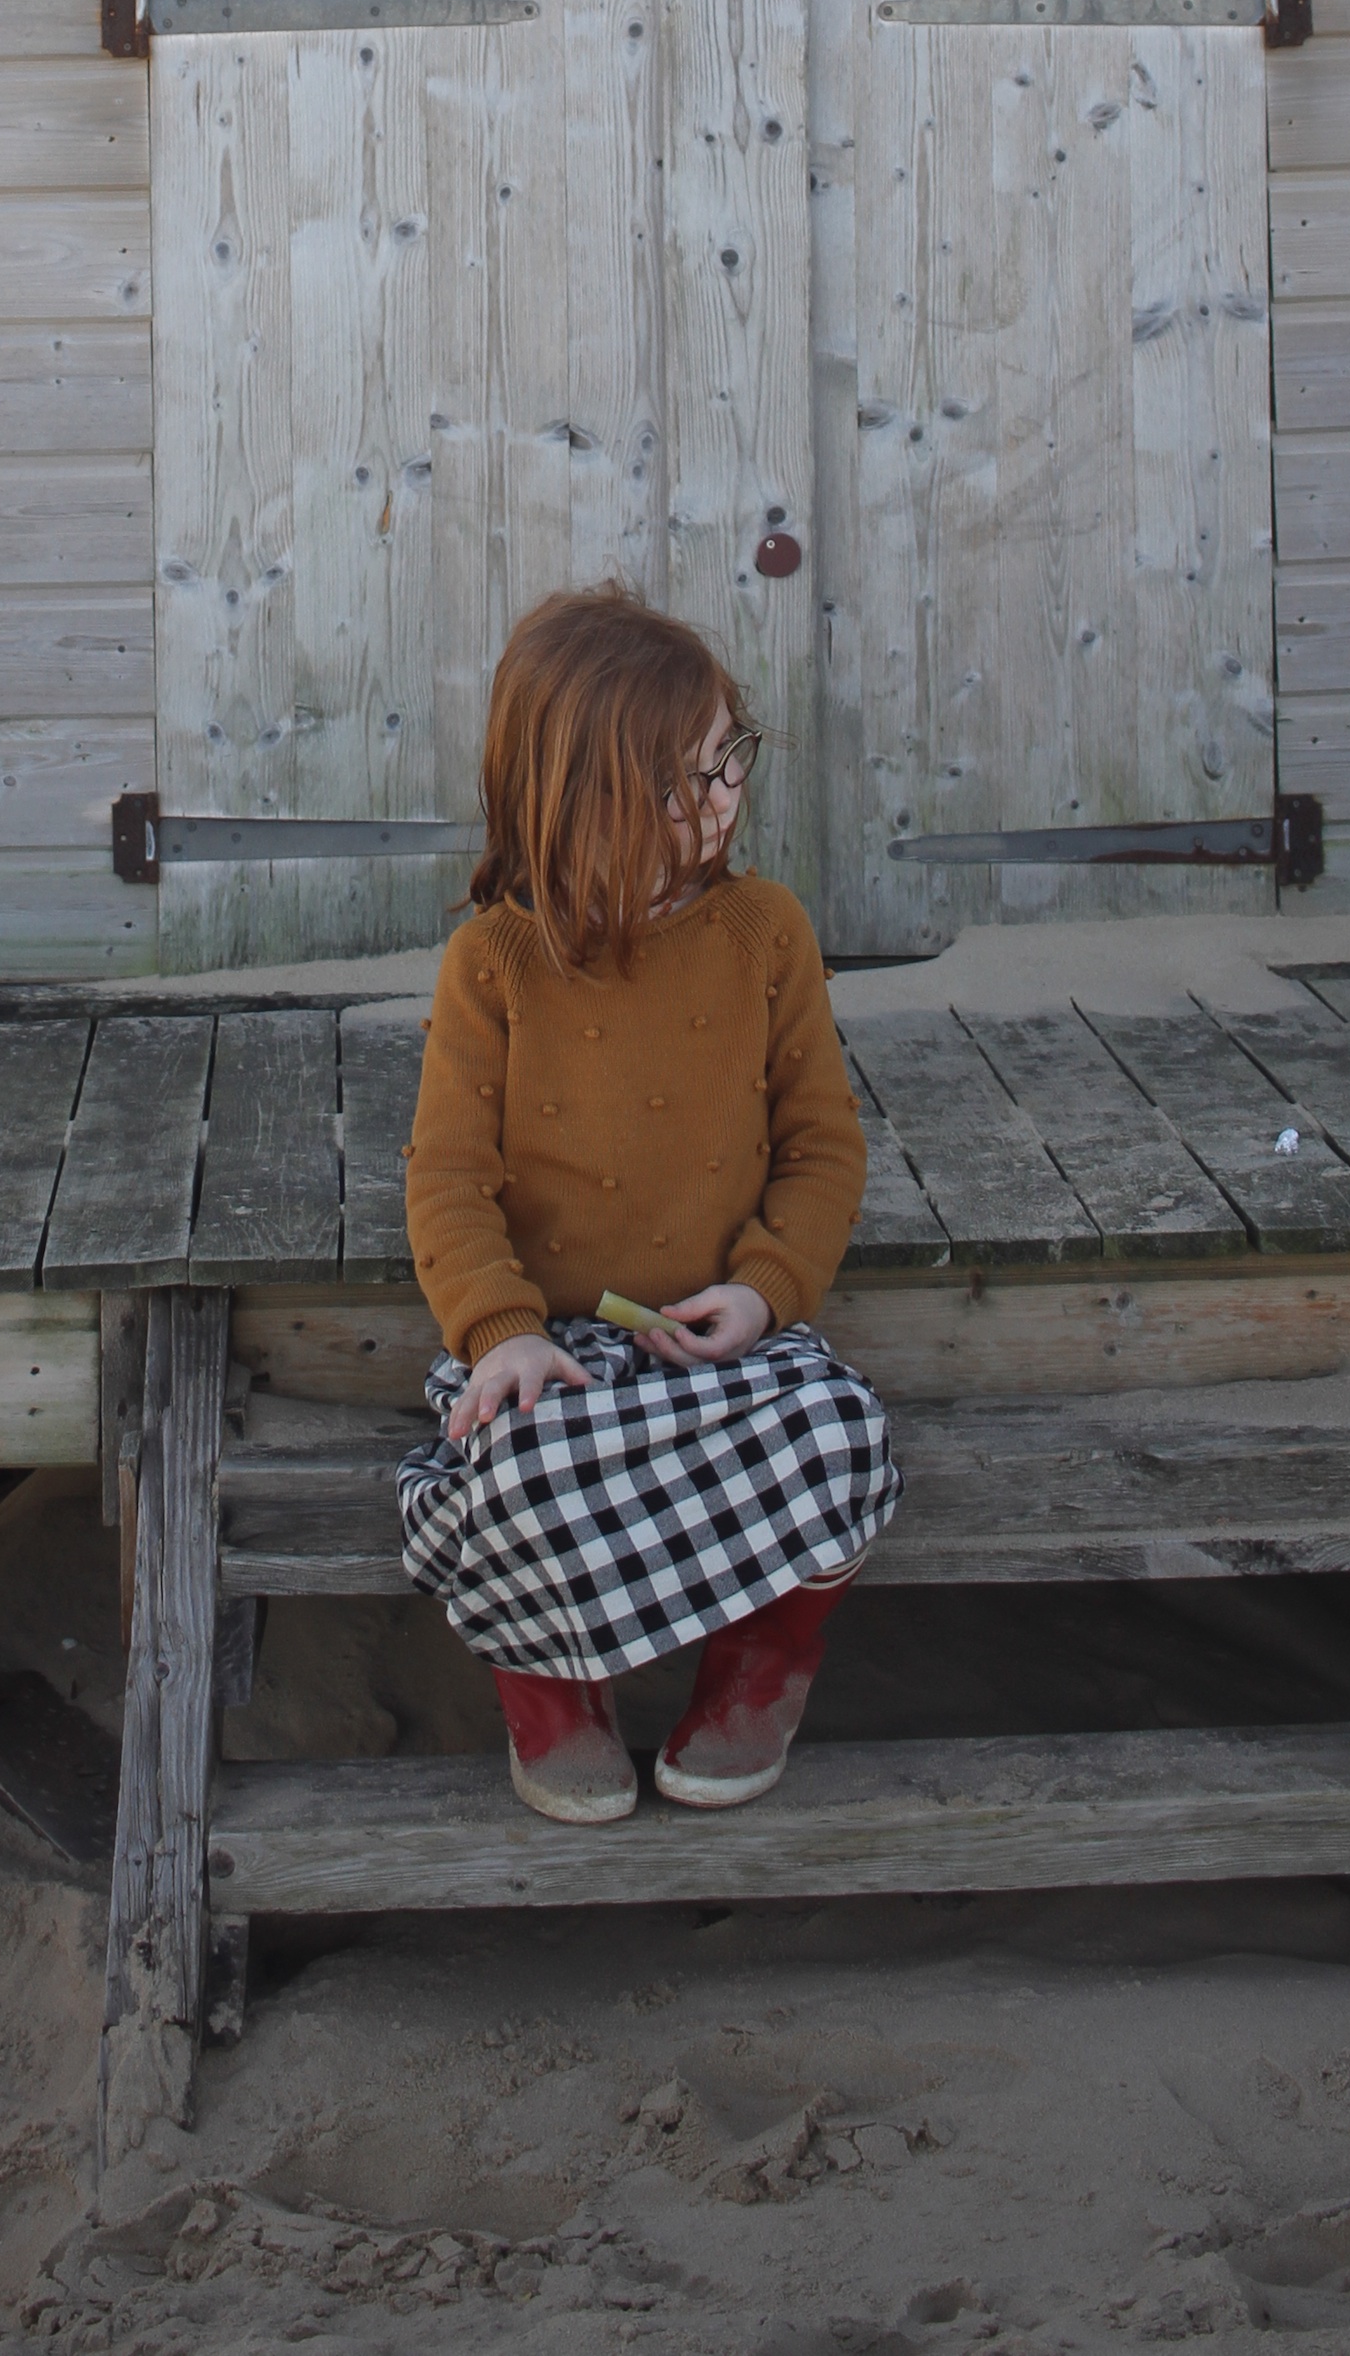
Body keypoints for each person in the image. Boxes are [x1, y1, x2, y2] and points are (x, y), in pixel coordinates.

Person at [397, 584, 899, 1825]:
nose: (723, 795)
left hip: (717, 1336)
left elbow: (823, 1149)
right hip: (555, 1349)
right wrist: (499, 1331)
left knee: (841, 1438)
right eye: (681, 783)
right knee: (510, 1474)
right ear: (579, 803)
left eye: (730, 754)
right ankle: (553, 1690)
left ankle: (754, 1677)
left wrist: (766, 1289)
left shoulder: (768, 934)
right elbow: (447, 1178)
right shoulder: (495, 965)